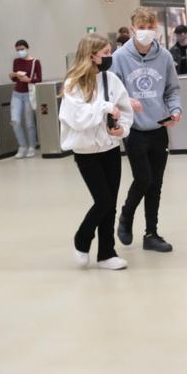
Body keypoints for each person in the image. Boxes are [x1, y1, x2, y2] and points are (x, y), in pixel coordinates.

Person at [61, 34, 134, 271]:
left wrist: (122, 128)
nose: (109, 57)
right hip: (86, 152)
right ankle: (82, 238)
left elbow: (123, 110)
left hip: (110, 148)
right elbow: (78, 118)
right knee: (102, 200)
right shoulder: (73, 83)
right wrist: (104, 107)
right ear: (91, 56)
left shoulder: (111, 79)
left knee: (111, 202)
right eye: (105, 53)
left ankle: (106, 253)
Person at [111, 8, 182, 254]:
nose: (146, 31)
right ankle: (126, 216)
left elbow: (172, 89)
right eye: (141, 27)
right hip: (134, 130)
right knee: (143, 178)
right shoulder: (120, 57)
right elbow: (111, 91)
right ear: (132, 29)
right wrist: (125, 101)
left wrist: (175, 111)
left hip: (158, 127)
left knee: (156, 183)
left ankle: (151, 233)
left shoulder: (163, 57)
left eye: (150, 27)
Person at [8, 39, 42, 159]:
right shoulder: (16, 61)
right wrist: (14, 75)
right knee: (15, 121)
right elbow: (14, 79)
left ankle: (32, 146)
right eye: (17, 50)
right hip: (17, 93)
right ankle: (22, 146)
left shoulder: (35, 62)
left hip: (29, 94)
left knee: (29, 123)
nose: (20, 52)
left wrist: (29, 80)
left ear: (27, 48)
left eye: (22, 49)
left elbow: (39, 79)